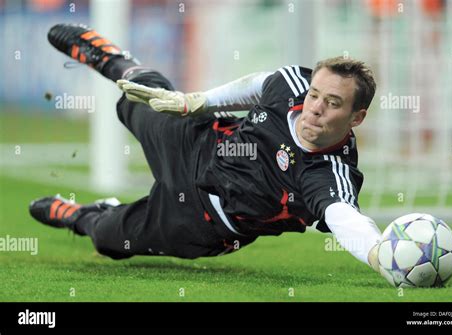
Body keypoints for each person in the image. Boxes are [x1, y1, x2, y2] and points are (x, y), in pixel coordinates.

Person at [30, 23, 383, 272]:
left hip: (203, 221)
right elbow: (260, 85)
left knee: (109, 239)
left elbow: (346, 219)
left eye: (333, 103)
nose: (316, 107)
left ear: (357, 117)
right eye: (314, 95)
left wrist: (381, 256)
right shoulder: (292, 85)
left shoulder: (328, 173)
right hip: (198, 144)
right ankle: (110, 58)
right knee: (141, 99)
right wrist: (193, 102)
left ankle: (79, 215)